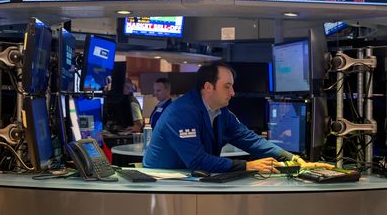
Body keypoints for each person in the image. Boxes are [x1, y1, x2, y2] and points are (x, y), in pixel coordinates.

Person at [143, 61, 334, 173]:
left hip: (190, 180)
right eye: (227, 86)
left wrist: (292, 158)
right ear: (208, 87)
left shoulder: (221, 112)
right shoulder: (181, 113)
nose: (233, 92)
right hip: (162, 182)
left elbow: (249, 139)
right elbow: (197, 161)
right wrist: (248, 166)